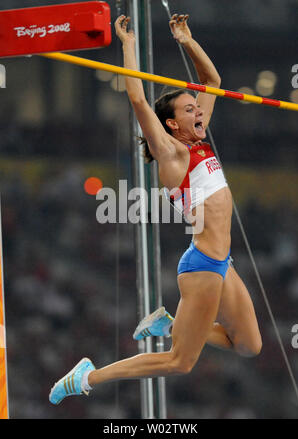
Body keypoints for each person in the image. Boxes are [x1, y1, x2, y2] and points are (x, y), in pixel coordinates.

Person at [49, 14, 262, 405]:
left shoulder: (197, 139)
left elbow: (212, 82)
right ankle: (89, 375)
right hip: (201, 267)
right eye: (188, 110)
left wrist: (186, 40)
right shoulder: (173, 153)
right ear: (170, 123)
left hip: (222, 261)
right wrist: (128, 44)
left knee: (249, 344)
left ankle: (168, 322)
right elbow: (136, 98)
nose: (198, 112)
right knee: (180, 362)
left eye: (197, 109)